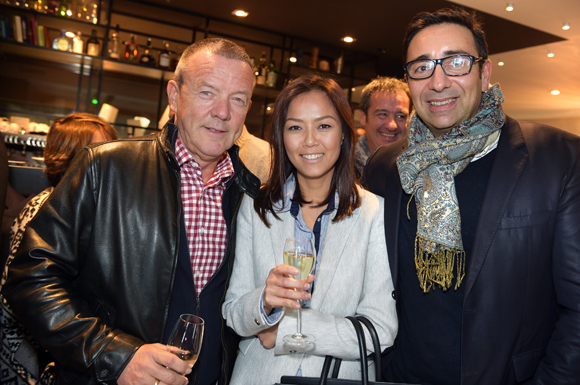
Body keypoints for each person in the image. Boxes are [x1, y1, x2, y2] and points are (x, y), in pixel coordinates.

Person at [2, 38, 260, 385]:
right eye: (207, 92)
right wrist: (114, 354)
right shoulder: (104, 168)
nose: (223, 112)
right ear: (174, 96)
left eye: (238, 100)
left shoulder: (253, 196)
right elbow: (30, 277)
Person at [363, 7, 580, 385]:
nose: (438, 81)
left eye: (456, 62)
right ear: (409, 80)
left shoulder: (557, 158)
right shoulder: (385, 166)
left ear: (485, 71)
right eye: (422, 66)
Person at [222, 74, 397, 385]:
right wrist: (264, 301)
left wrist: (285, 332)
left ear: (344, 132)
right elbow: (234, 312)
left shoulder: (374, 213)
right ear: (280, 136)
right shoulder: (256, 207)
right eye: (295, 127)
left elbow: (380, 331)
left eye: (324, 126)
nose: (310, 140)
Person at [1, 113, 117, 385]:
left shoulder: (83, 204)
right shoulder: (49, 206)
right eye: (100, 153)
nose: (112, 161)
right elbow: (24, 294)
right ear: (71, 156)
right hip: (31, 350)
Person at [354, 76, 411, 176]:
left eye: (400, 116)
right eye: (383, 114)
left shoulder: (422, 169)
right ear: (363, 117)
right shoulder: (342, 169)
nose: (392, 126)